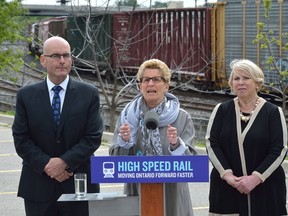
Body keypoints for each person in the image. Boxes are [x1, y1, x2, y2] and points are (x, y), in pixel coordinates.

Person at [12, 36, 103, 216]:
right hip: (38, 187)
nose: (62, 61)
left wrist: (65, 163)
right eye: (56, 56)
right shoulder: (26, 96)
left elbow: (93, 137)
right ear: (43, 60)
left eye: (66, 56)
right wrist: (47, 164)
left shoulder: (89, 94)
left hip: (79, 187)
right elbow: (21, 139)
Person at [109, 58, 197, 216]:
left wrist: (176, 145)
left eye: (156, 79)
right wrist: (125, 142)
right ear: (139, 86)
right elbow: (115, 161)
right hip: (137, 193)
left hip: (172, 195)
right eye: (146, 80)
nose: (150, 84)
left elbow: (192, 165)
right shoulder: (127, 117)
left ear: (166, 86)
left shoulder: (182, 118)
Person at [205, 59, 287, 216]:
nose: (240, 82)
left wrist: (256, 178)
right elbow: (211, 143)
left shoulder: (273, 112)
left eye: (246, 78)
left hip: (265, 187)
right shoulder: (221, 110)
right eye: (236, 78)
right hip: (227, 187)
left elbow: (279, 149)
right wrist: (227, 175)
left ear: (257, 82)